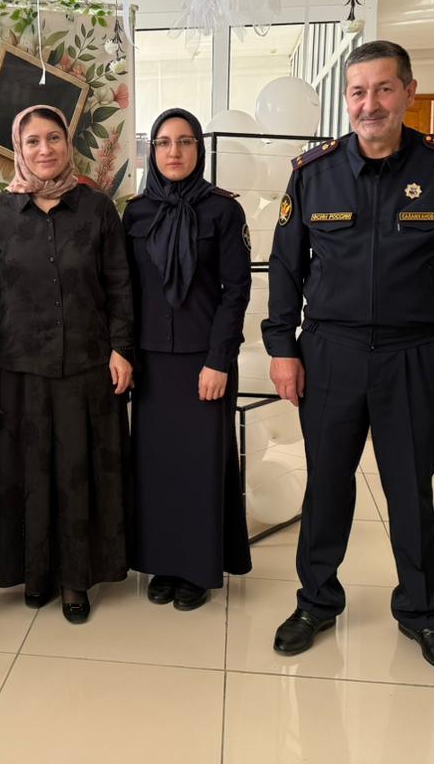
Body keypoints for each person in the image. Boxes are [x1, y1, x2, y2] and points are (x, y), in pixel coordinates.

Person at [261, 41, 434, 674]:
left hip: (416, 357)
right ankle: (316, 601)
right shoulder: (314, 173)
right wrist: (281, 348)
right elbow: (286, 268)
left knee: (409, 489)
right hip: (330, 355)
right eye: (358, 92)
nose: (370, 104)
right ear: (347, 99)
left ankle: (419, 612)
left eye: (384, 89)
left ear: (409, 93)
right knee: (326, 483)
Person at [0, 105, 134, 624]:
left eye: (54, 138)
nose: (45, 149)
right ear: (18, 148)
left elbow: (120, 284)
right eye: (33, 141)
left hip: (87, 365)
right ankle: (34, 573)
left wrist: (122, 348)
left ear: (68, 143)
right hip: (19, 367)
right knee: (29, 474)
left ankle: (75, 579)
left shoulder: (97, 208)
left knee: (77, 473)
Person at [123, 108, 252, 610]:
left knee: (200, 464)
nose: (173, 151)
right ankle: (163, 562)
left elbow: (235, 291)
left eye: (185, 141)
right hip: (151, 363)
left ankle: (196, 568)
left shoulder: (223, 211)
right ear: (152, 151)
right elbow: (125, 292)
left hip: (204, 362)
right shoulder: (135, 213)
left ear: (199, 148)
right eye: (163, 142)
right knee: (156, 467)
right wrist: (125, 354)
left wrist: (219, 360)